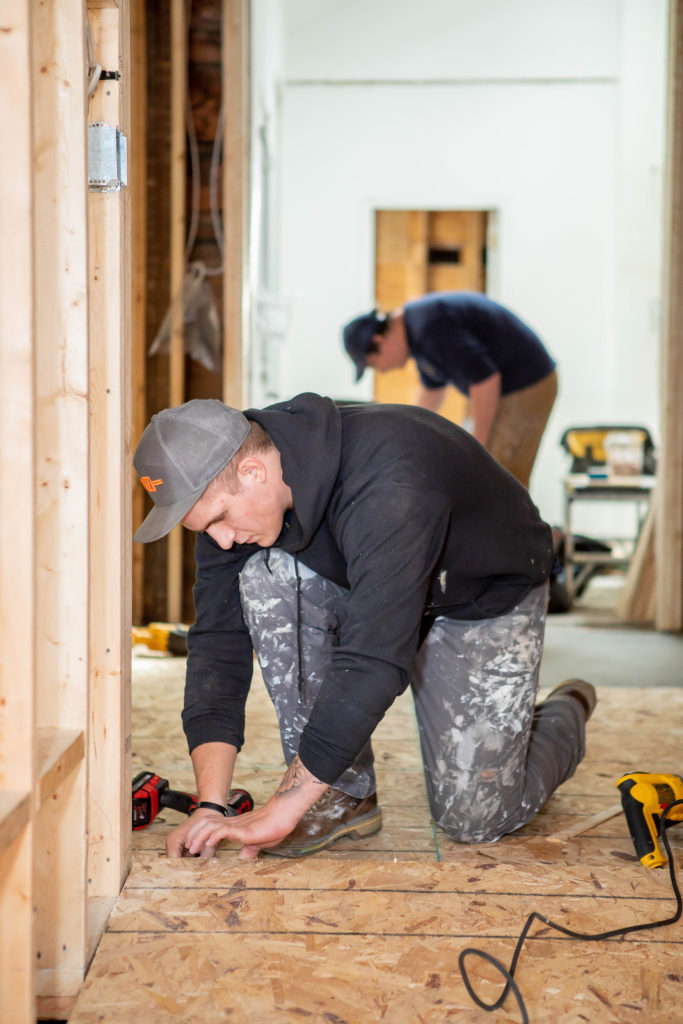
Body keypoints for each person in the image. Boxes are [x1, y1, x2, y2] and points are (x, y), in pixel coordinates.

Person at [133, 392, 595, 861]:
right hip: (365, 583)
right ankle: (339, 793)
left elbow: (373, 659)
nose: (222, 539)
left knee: (475, 818)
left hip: (479, 595)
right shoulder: (229, 499)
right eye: (206, 530)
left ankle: (563, 712)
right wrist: (211, 805)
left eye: (220, 520)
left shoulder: (391, 480)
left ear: (253, 473)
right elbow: (216, 643)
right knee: (264, 574)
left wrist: (282, 808)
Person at [342, 291, 558, 488]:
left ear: (379, 341)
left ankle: (513, 530)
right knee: (490, 472)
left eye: (373, 364)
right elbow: (432, 392)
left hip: (528, 382)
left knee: (499, 475)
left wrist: (476, 448)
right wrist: (406, 439)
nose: (381, 370)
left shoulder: (430, 328)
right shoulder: (416, 331)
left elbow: (485, 381)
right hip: (508, 385)